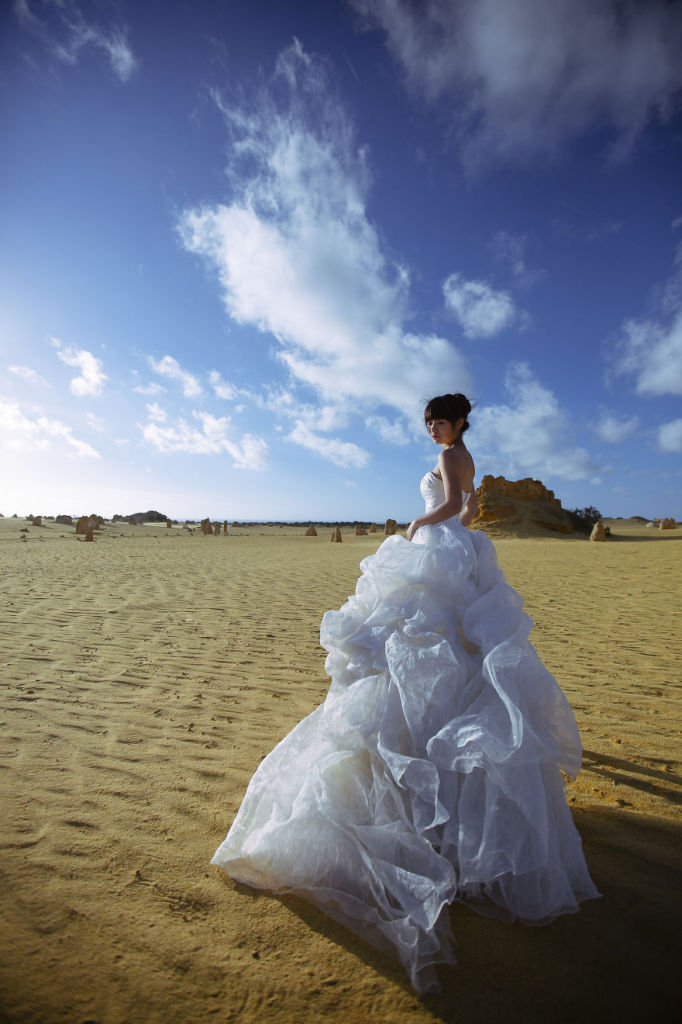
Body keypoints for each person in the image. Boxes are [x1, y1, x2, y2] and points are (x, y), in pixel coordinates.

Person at [211, 392, 599, 993]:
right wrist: (450, 527)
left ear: (460, 421)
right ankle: (449, 812)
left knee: (418, 652)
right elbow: (469, 511)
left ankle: (425, 808)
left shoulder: (453, 456)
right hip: (462, 553)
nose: (434, 429)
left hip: (441, 552)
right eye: (429, 423)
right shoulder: (466, 455)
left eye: (439, 421)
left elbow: (450, 505)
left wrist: (421, 524)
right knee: (451, 659)